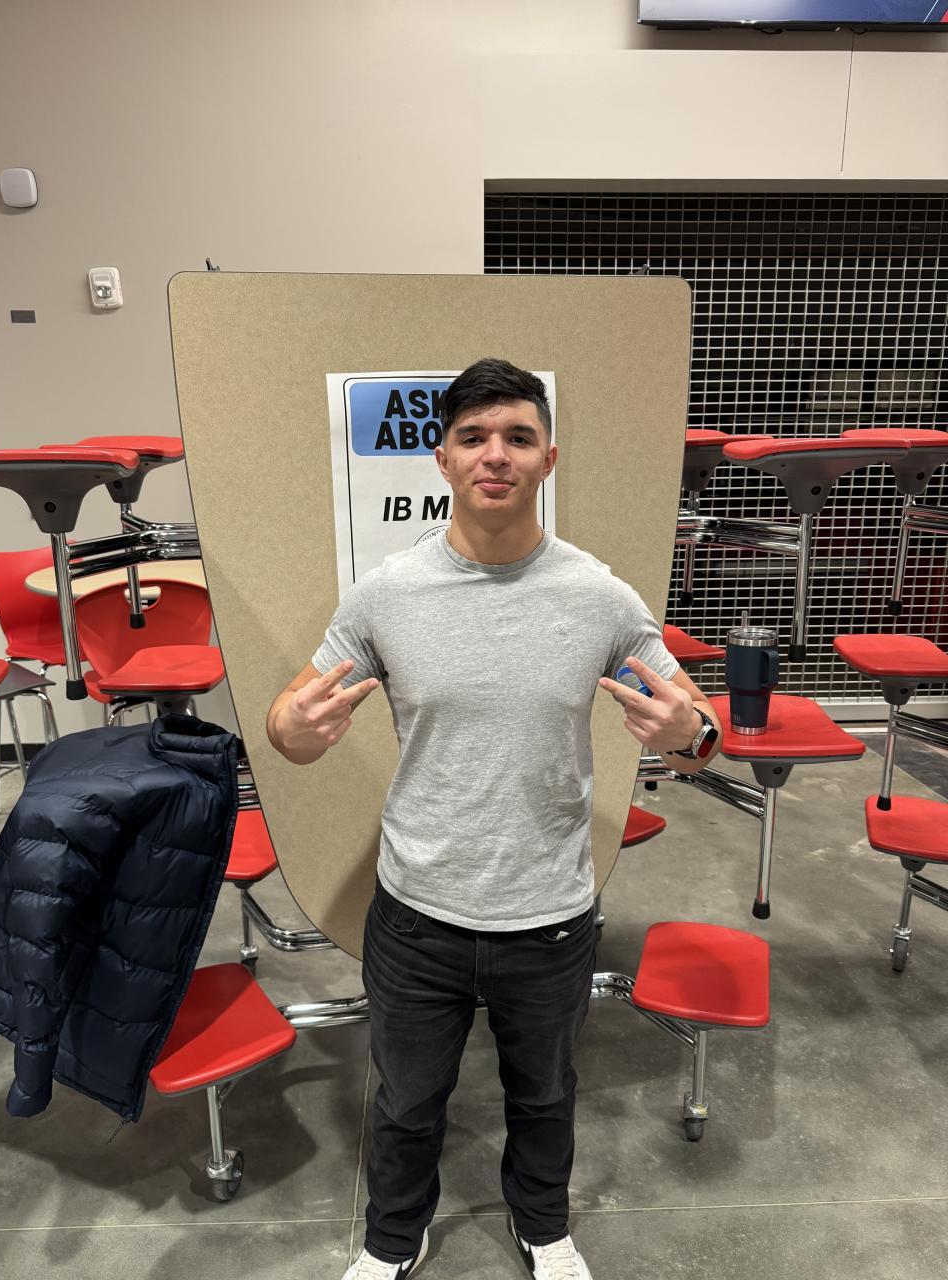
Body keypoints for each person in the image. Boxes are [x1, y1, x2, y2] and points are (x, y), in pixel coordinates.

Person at [266, 358, 722, 1280]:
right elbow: (290, 722)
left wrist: (692, 735)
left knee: (545, 1095)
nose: (495, 455)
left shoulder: (599, 596)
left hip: (548, 914)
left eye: (518, 437)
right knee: (405, 1101)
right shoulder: (387, 594)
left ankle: (544, 1230)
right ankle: (393, 1241)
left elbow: (697, 729)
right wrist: (291, 730)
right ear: (442, 459)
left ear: (548, 459)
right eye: (473, 437)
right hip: (417, 913)